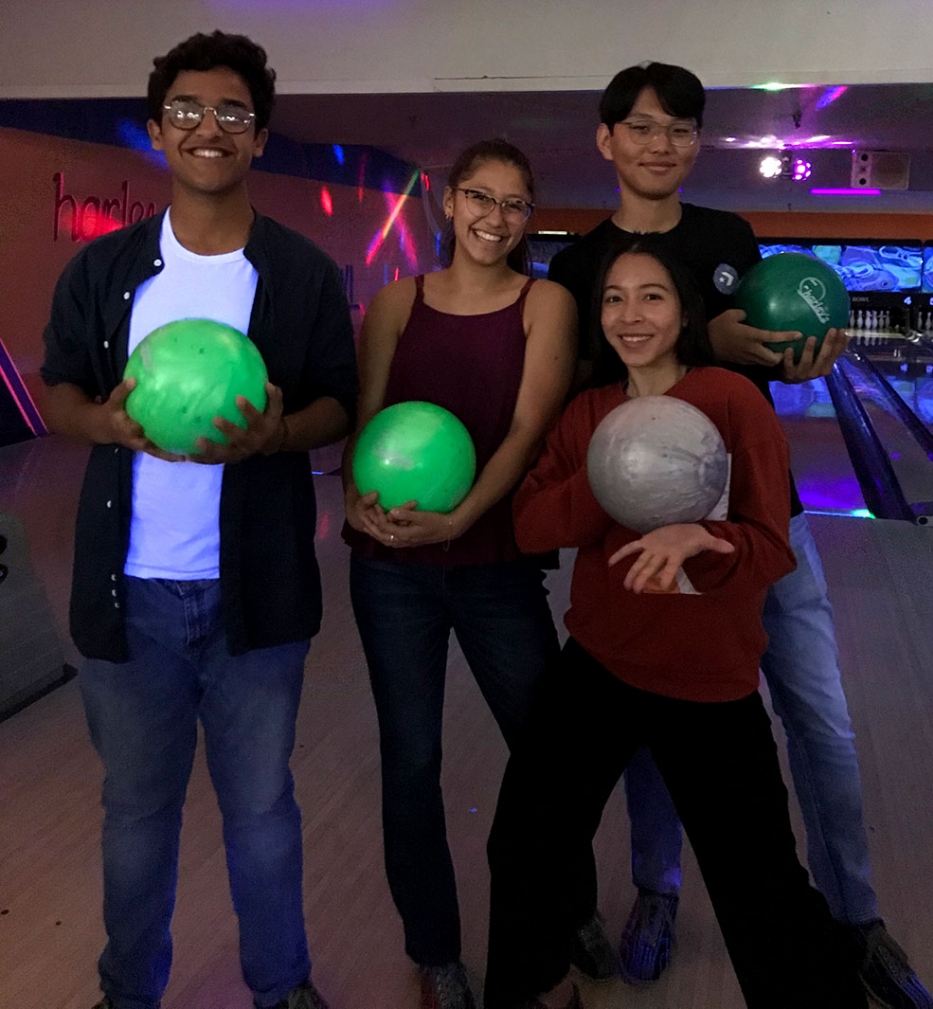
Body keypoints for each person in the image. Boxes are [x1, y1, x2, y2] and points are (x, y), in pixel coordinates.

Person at [548, 61, 933, 1009]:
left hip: (764, 523)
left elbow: (769, 368)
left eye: (681, 129)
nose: (660, 144)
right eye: (641, 127)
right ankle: (658, 889)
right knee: (650, 728)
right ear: (606, 140)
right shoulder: (576, 265)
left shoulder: (732, 238)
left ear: (697, 143)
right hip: (644, 532)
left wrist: (807, 355)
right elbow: (581, 388)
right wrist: (699, 346)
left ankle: (854, 912)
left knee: (821, 720)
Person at [40, 30, 357, 1009]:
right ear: (155, 130)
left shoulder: (299, 273)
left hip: (255, 593)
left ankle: (281, 986)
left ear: (258, 136)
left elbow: (339, 405)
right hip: (126, 593)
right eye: (186, 110)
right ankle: (128, 989)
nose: (207, 128)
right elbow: (58, 392)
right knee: (137, 811)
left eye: (230, 113)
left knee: (261, 808)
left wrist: (274, 435)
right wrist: (109, 422)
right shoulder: (104, 271)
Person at [484, 238, 867, 1009]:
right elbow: (529, 526)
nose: (632, 313)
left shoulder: (731, 400)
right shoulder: (589, 413)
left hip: (708, 678)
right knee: (526, 837)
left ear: (684, 311)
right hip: (600, 661)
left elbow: (767, 546)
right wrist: (612, 474)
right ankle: (538, 989)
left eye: (651, 295)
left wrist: (703, 534)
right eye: (615, 298)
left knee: (759, 884)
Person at [342, 139, 576, 1009]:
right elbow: (369, 420)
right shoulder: (395, 301)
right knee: (412, 759)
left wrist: (462, 518)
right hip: (393, 569)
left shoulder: (544, 302)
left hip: (493, 563)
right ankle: (435, 947)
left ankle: (568, 905)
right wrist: (356, 503)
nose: (496, 218)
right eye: (481, 197)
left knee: (547, 752)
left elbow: (526, 429)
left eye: (515, 205)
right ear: (448, 201)